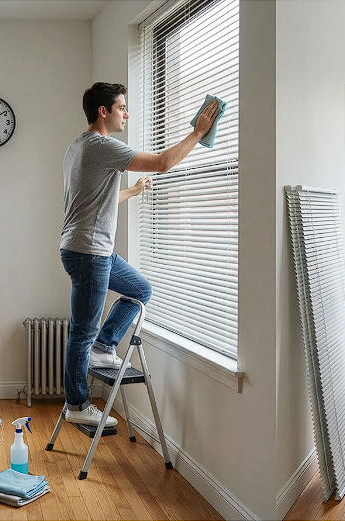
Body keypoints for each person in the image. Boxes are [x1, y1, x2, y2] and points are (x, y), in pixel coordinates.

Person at [60, 82, 219, 426]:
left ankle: (105, 348)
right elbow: (162, 163)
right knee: (81, 332)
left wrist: (131, 191)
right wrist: (198, 133)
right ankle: (76, 406)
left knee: (141, 290)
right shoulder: (103, 145)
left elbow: (92, 202)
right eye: (121, 108)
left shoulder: (78, 147)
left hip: (87, 249)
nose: (126, 114)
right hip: (90, 253)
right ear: (103, 112)